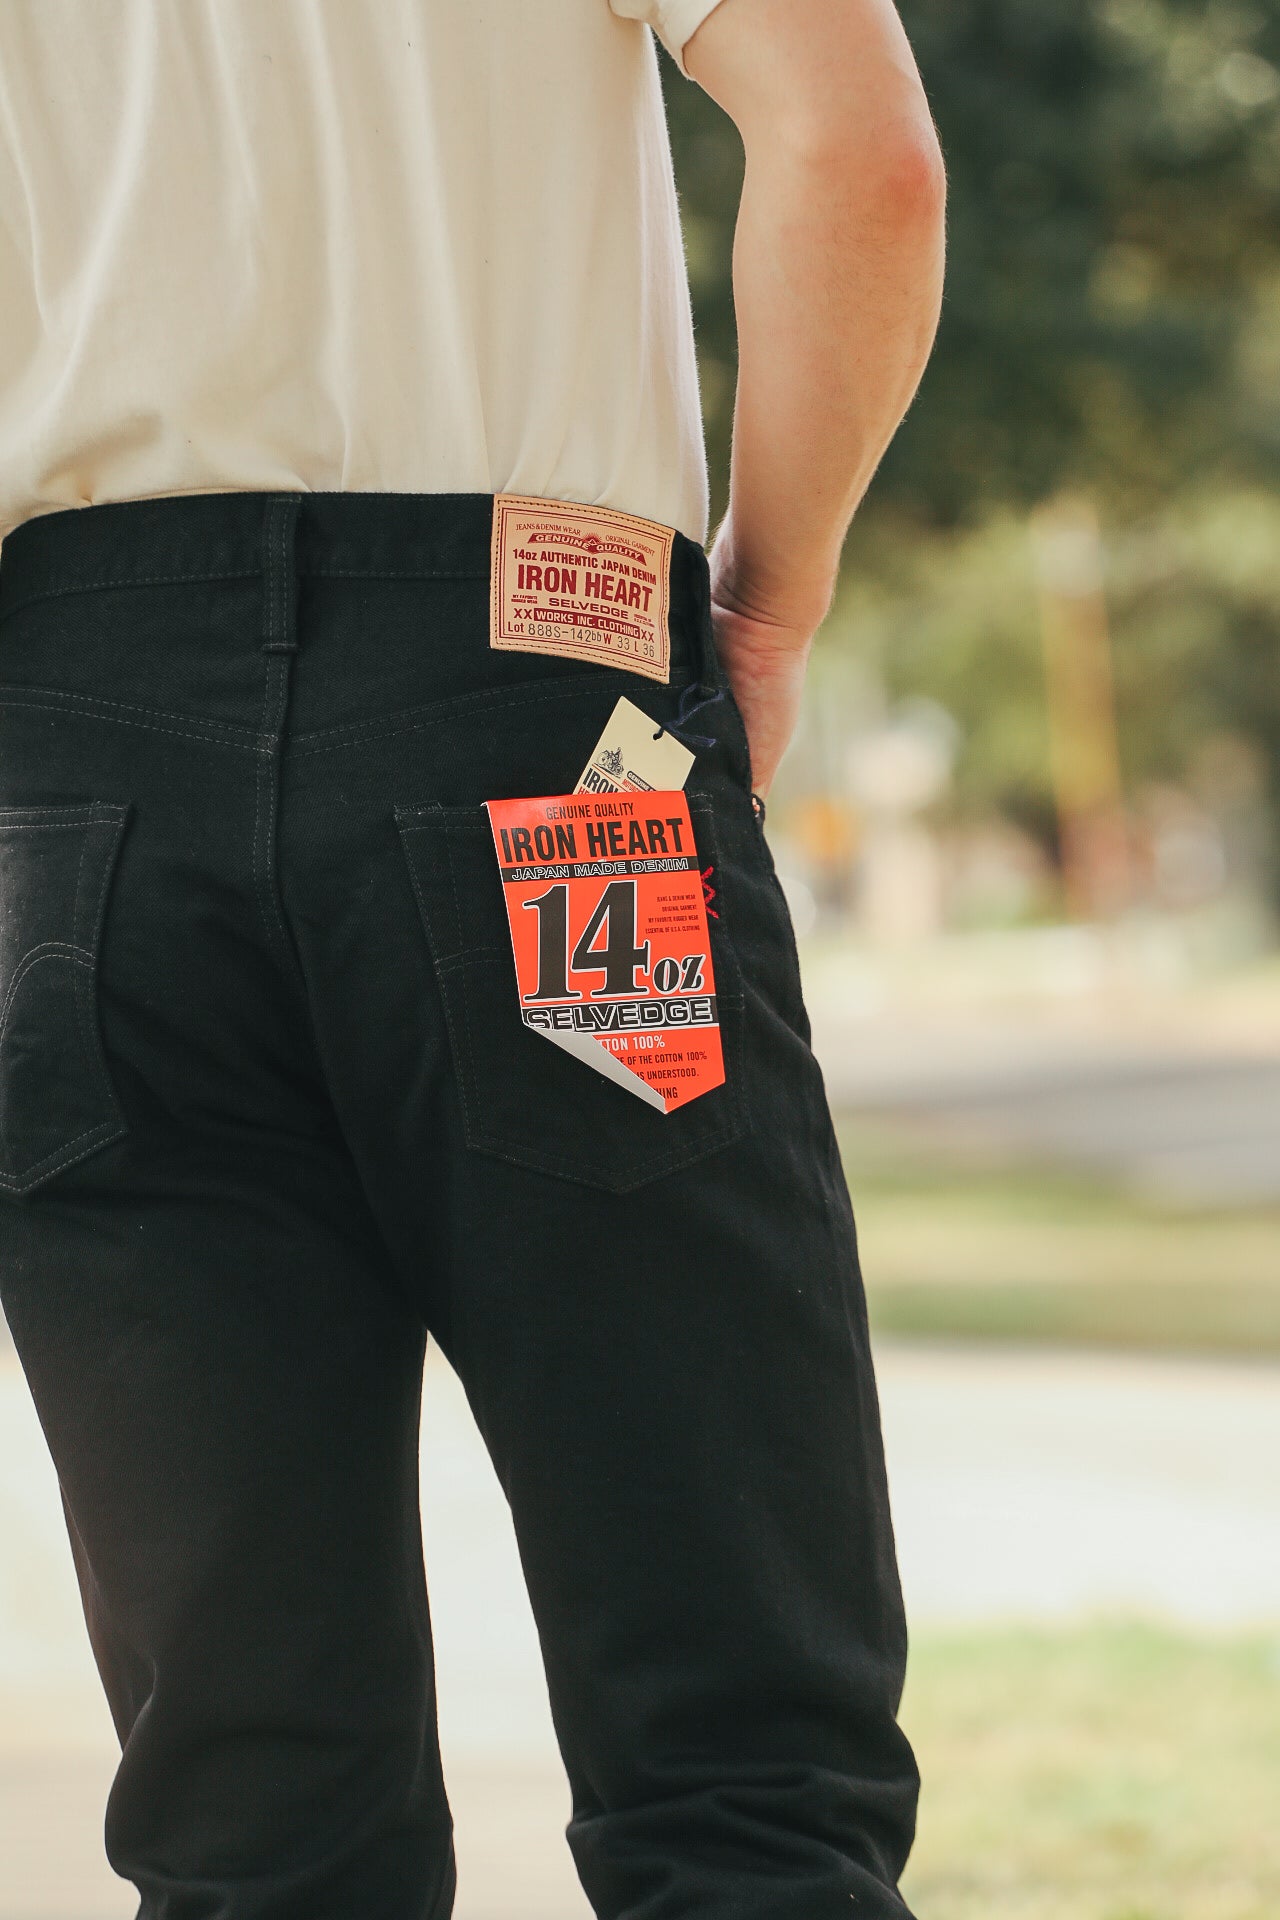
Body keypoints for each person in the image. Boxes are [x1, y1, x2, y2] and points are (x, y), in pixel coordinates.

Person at [0, 1, 945, 1914]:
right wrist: (769, 600)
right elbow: (864, 158)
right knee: (743, 1774)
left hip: (73, 789)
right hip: (542, 712)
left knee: (257, 1820)